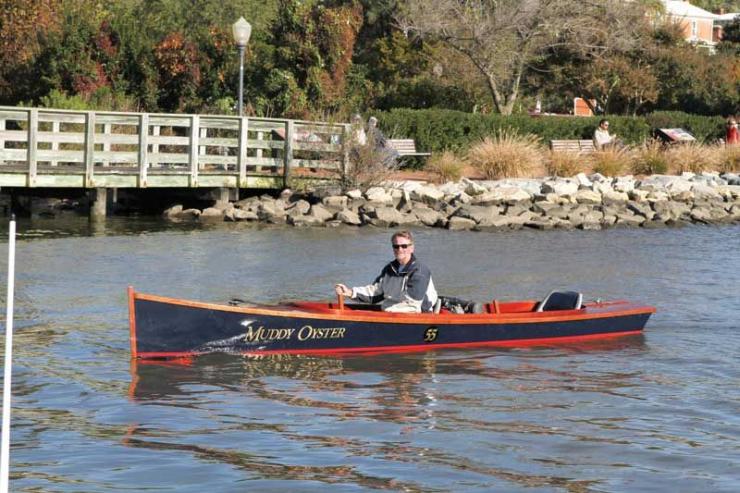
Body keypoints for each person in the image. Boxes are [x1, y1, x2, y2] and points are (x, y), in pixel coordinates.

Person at [334, 231, 438, 313]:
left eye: (404, 246)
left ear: (412, 248)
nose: (400, 249)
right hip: (391, 314)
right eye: (396, 246)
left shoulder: (419, 271)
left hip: (420, 316)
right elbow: (375, 293)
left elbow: (412, 305)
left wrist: (385, 312)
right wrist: (350, 292)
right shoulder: (389, 268)